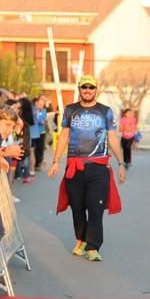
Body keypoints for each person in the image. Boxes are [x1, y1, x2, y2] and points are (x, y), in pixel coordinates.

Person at [46, 75, 127, 262]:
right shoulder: (70, 110)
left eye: (91, 87)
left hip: (98, 167)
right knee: (77, 206)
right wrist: (56, 161)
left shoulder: (105, 111)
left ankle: (93, 246)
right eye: (84, 87)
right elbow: (64, 135)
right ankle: (81, 240)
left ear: (96, 90)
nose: (87, 90)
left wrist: (121, 164)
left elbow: (113, 138)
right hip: (75, 165)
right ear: (80, 89)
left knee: (95, 207)